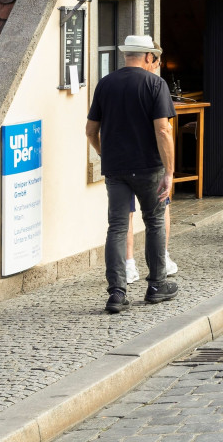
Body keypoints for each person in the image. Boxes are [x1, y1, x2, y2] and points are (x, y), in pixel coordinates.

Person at [85, 35, 179, 314]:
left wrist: (104, 154)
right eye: (156, 59)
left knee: (117, 227)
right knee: (154, 222)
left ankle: (116, 293)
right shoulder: (155, 84)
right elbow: (163, 130)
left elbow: (90, 131)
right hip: (149, 167)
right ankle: (156, 286)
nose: (156, 64)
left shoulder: (106, 83)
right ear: (148, 57)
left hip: (116, 169)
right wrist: (170, 172)